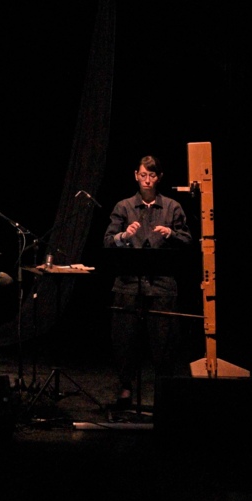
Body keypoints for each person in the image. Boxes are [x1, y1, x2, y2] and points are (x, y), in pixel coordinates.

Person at [102, 155, 193, 408]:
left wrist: (171, 233)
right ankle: (125, 387)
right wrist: (123, 236)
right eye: (143, 175)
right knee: (124, 339)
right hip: (128, 284)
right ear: (136, 175)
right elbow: (108, 241)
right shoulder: (124, 206)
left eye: (152, 175)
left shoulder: (172, 207)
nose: (147, 180)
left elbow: (187, 240)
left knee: (165, 342)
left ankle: (164, 391)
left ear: (159, 177)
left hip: (162, 285)